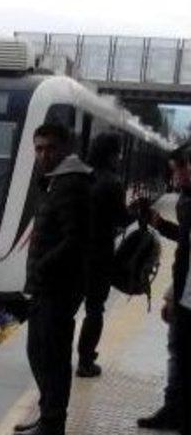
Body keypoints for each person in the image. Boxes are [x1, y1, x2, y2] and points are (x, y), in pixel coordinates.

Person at [14, 122, 91, 435]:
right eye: (39, 148)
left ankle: (52, 424)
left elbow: (75, 239)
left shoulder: (70, 184)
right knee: (40, 351)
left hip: (58, 286)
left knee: (51, 355)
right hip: (50, 284)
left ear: (64, 149)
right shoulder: (56, 181)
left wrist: (44, 266)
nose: (43, 155)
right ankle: (48, 415)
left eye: (49, 148)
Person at [138, 147, 191, 431]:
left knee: (179, 354)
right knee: (177, 352)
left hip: (187, 295)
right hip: (184, 290)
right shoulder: (186, 199)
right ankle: (174, 410)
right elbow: (186, 245)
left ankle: (176, 415)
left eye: (178, 169)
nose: (174, 176)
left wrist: (172, 295)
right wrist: (160, 225)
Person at [76, 132, 132, 377]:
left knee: (67, 306)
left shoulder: (82, 178)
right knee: (94, 309)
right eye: (117, 154)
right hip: (99, 255)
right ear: (111, 154)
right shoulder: (113, 183)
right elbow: (122, 219)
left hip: (74, 252)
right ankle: (86, 360)